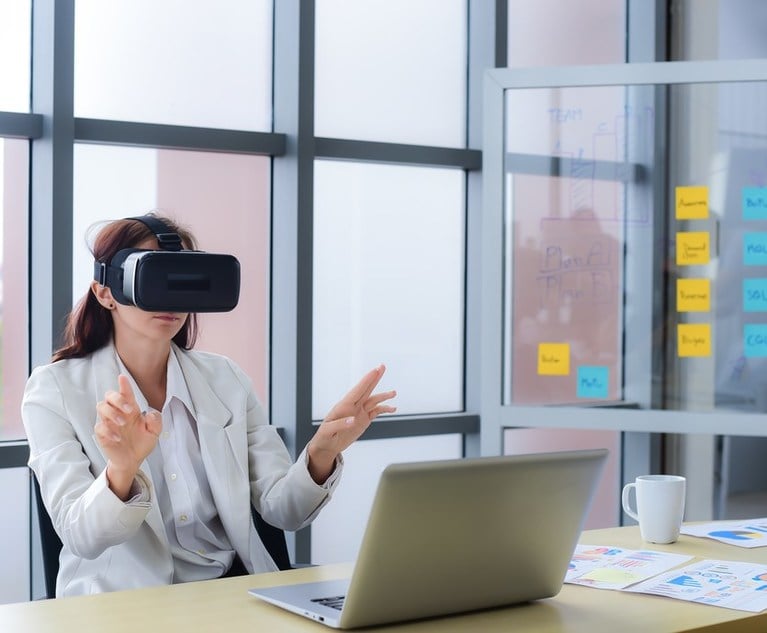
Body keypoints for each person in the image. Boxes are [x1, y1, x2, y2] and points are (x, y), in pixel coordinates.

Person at [21, 213, 397, 597]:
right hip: (127, 603)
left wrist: (322, 451)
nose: (171, 298)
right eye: (156, 278)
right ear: (105, 293)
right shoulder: (53, 390)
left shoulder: (226, 379)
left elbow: (283, 511)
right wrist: (122, 470)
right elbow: (80, 536)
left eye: (184, 280)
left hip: (232, 594)